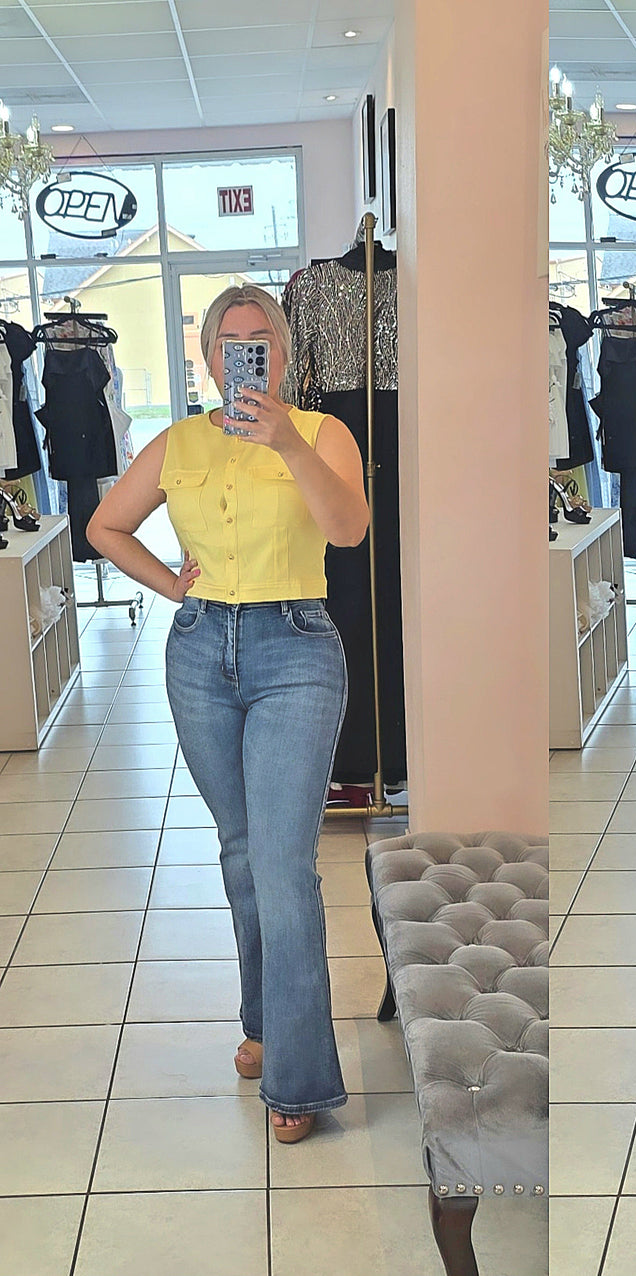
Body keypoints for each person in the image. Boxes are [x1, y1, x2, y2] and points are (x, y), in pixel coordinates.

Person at [88, 284, 369, 1144]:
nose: (245, 354)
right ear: (208, 359)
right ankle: (264, 1021)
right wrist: (173, 585)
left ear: (282, 353)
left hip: (296, 647)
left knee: (283, 865)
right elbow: (104, 527)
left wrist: (285, 441)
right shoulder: (178, 442)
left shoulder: (322, 432)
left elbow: (349, 529)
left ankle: (299, 1078)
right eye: (228, 342)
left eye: (261, 340)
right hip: (200, 651)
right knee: (242, 852)